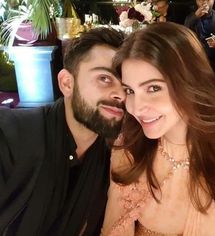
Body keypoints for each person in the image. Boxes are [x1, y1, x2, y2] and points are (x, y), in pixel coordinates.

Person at [101, 22, 215, 235]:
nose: (137, 107)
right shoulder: (129, 149)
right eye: (130, 90)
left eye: (153, 88)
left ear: (190, 83)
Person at [0, 27, 125, 236]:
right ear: (67, 83)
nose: (120, 94)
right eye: (105, 78)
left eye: (127, 86)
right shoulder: (10, 137)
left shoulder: (113, 157)